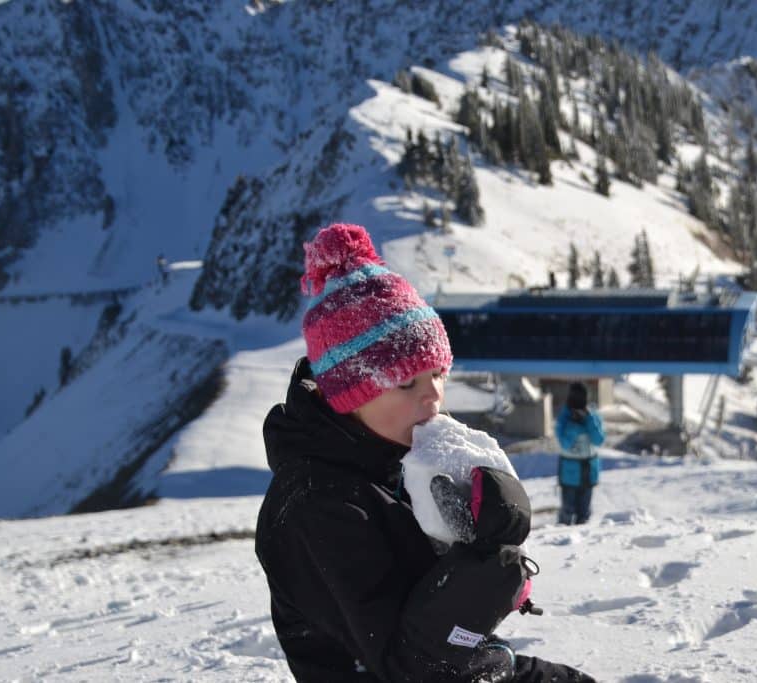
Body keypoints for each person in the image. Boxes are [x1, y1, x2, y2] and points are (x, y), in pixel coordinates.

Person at [255, 223, 596, 683]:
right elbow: (410, 667)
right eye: (406, 382)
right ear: (348, 393)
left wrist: (474, 536)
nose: (433, 397)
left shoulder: (389, 462)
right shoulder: (315, 503)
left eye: (438, 374)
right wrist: (488, 565)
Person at [554, 382, 605, 525]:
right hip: (569, 470)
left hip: (588, 469)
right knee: (567, 510)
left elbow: (599, 440)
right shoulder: (564, 416)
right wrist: (574, 425)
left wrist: (588, 420)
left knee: (584, 512)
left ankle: (582, 539)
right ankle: (562, 536)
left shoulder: (593, 415)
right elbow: (564, 443)